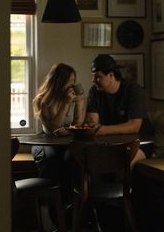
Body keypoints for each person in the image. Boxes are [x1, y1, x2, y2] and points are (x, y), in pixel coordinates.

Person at [85, 54, 154, 168]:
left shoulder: (133, 90)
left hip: (139, 143)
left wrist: (103, 130)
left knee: (122, 165)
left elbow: (134, 125)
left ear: (111, 75)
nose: (93, 80)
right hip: (111, 143)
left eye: (98, 76)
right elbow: (92, 122)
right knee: (91, 162)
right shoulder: (95, 91)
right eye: (93, 76)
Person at [32, 63, 86, 203]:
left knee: (74, 161)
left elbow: (77, 125)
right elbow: (54, 129)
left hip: (67, 141)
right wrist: (66, 103)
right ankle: (48, 210)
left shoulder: (71, 97)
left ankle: (73, 207)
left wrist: (80, 103)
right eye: (69, 81)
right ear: (59, 81)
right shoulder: (44, 101)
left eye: (74, 81)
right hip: (47, 141)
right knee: (52, 163)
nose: (72, 85)